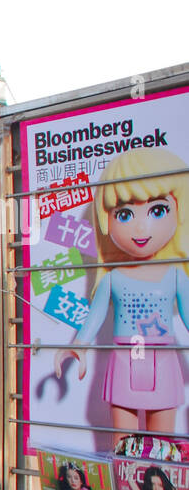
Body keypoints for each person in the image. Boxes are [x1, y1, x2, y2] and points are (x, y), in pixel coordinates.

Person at [55, 149, 189, 447]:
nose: (141, 227)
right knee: (123, 445)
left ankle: (159, 489)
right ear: (107, 220)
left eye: (157, 210)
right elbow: (96, 315)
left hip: (163, 358)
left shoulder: (176, 275)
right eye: (125, 214)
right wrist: (77, 346)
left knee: (163, 448)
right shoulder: (113, 278)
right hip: (124, 359)